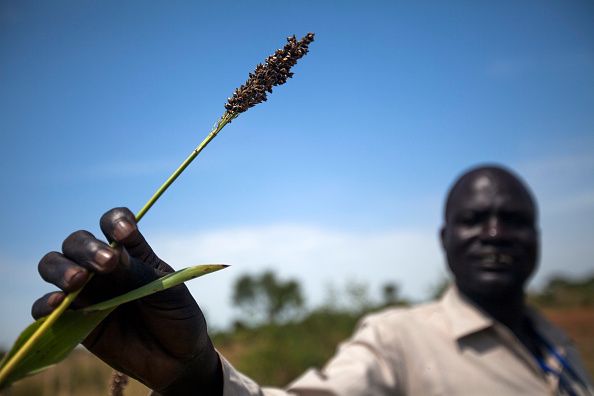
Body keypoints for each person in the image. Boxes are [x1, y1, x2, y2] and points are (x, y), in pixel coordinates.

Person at [33, 165, 594, 395]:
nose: (495, 233)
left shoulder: (556, 341)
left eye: (515, 221)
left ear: (539, 239)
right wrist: (201, 380)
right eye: (474, 221)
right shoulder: (397, 339)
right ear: (444, 240)